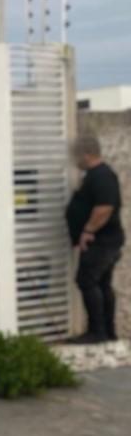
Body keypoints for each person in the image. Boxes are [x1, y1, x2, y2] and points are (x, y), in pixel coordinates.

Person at [65, 135, 124, 344]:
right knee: (102, 283)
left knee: (86, 280)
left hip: (102, 241)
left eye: (76, 155)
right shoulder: (94, 175)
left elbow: (104, 208)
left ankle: (97, 331)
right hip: (104, 240)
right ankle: (107, 331)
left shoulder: (102, 176)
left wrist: (88, 231)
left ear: (87, 154)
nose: (74, 160)